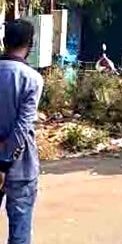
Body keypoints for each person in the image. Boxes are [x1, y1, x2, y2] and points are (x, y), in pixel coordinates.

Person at [0, 19, 44, 244]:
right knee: (19, 232)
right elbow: (22, 127)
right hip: (20, 168)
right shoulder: (32, 79)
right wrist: (3, 164)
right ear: (31, 44)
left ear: (4, 41)